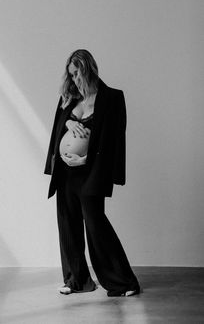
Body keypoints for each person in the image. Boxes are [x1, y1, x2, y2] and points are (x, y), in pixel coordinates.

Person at [44, 49, 140, 297]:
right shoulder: (69, 98)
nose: (75, 80)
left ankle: (124, 281)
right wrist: (68, 122)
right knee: (68, 225)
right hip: (65, 174)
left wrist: (85, 159)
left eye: (77, 74)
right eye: (71, 75)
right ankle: (76, 280)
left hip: (91, 173)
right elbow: (57, 126)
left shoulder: (112, 98)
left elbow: (115, 140)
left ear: (89, 69)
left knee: (96, 226)